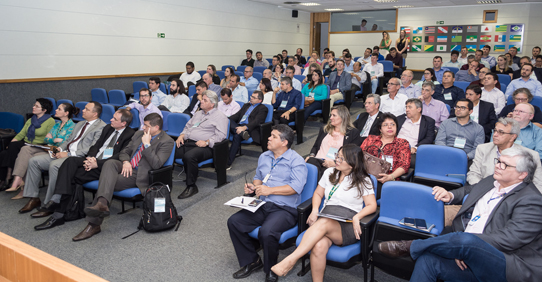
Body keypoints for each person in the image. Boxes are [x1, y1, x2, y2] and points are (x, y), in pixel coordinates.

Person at [378, 147, 542, 282]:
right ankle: (441, 246)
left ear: (522, 175)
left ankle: (410, 246)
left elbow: (509, 239)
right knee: (427, 260)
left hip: (506, 266)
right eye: (498, 161)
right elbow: (471, 189)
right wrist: (451, 195)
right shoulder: (493, 180)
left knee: (466, 238)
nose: (498, 166)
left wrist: (467, 247)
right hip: (467, 254)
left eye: (505, 165)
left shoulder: (532, 201)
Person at [271, 144, 377, 281]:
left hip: (347, 224)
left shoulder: (364, 179)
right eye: (337, 156)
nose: (337, 160)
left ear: (352, 163)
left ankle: (291, 260)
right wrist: (315, 210)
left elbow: (372, 205)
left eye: (341, 159)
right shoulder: (329, 172)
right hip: (326, 216)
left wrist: (358, 217)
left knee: (324, 222)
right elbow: (317, 194)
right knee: (319, 246)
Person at [70, 113, 174, 241]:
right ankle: (102, 204)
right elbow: (125, 152)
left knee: (107, 183)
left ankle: (94, 223)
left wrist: (147, 145)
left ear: (156, 127)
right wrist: (126, 162)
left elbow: (156, 164)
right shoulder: (138, 134)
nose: (143, 128)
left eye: (146, 126)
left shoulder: (167, 141)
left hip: (140, 174)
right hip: (127, 166)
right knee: (110, 163)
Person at [227, 125, 307, 282]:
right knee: (234, 222)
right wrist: (254, 187)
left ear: (284, 142)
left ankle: (271, 269)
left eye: (274, 136)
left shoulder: (296, 161)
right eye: (270, 135)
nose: (269, 138)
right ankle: (252, 261)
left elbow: (295, 188)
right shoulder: (264, 156)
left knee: (267, 232)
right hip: (262, 203)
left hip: (284, 209)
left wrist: (269, 190)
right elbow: (258, 176)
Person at [32, 109, 135, 222]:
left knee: (71, 176)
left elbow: (119, 156)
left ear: (123, 123)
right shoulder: (108, 128)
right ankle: (58, 202)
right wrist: (90, 158)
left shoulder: (130, 135)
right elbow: (96, 146)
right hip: (92, 160)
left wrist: (97, 164)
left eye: (115, 119)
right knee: (70, 161)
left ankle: (59, 212)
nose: (111, 119)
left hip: (104, 167)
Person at [18, 102, 107, 214]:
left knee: (54, 165)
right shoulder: (80, 124)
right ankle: (33, 198)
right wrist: (59, 150)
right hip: (65, 153)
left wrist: (68, 154)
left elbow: (92, 148)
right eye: (84, 108)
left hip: (76, 158)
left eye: (87, 109)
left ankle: (50, 203)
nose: (83, 110)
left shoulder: (101, 127)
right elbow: (68, 140)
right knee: (34, 161)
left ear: (95, 114)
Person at [3, 102, 74, 196]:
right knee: (25, 149)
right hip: (47, 148)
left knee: (29, 158)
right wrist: (55, 139)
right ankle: (17, 178)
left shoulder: (72, 126)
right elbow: (46, 138)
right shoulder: (57, 125)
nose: (56, 110)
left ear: (66, 113)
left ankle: (24, 188)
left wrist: (52, 139)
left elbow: (65, 142)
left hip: (57, 151)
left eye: (59, 109)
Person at [175, 91, 228, 199]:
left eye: (205, 100)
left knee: (189, 156)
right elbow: (187, 126)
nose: (201, 102)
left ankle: (191, 186)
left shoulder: (220, 117)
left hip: (206, 147)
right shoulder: (198, 113)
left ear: (212, 104)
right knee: (169, 150)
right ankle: (163, 183)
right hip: (189, 142)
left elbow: (221, 136)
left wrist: (207, 141)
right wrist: (181, 135)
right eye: (202, 99)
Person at [467, 117, 542, 189]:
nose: (495, 134)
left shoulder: (531, 155)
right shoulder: (483, 149)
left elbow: (538, 184)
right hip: (484, 192)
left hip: (516, 197)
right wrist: (483, 190)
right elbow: (473, 174)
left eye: (501, 132)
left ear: (512, 137)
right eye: (495, 131)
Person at [0, 98, 55, 190]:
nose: (33, 107)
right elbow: (21, 134)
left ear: (44, 110)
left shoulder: (50, 121)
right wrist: (11, 142)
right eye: (34, 105)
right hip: (26, 143)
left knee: (11, 148)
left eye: (37, 106)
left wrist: (12, 145)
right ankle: (4, 179)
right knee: (4, 153)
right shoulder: (31, 120)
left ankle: (8, 177)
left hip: (38, 145)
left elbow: (48, 138)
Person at [306, 106, 362, 179]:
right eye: (331, 115)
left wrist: (334, 164)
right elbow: (316, 146)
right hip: (318, 161)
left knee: (319, 172)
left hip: (336, 165)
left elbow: (351, 156)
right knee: (309, 163)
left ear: (343, 117)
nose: (331, 118)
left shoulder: (353, 133)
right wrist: (312, 155)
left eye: (334, 115)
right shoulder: (325, 129)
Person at [361, 113, 411, 189]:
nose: (390, 127)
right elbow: (359, 155)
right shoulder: (370, 139)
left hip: (387, 180)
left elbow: (404, 165)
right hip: (365, 176)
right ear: (380, 129)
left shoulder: (402, 143)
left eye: (393, 124)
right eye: (385, 125)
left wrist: (390, 177)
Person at [227, 91, 268, 169]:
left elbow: (257, 121)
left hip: (250, 129)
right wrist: (225, 120)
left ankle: (228, 163)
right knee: (227, 120)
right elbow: (236, 116)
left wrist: (244, 128)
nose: (251, 98)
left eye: (253, 97)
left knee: (237, 135)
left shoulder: (263, 108)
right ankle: (242, 133)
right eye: (251, 96)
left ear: (260, 100)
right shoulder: (246, 105)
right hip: (238, 127)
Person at [397, 98, 436, 166]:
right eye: (406, 107)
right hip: (395, 148)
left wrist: (415, 148)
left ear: (419, 109)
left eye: (410, 107)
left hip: (411, 151)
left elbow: (429, 138)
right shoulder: (399, 119)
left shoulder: (428, 121)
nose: (407, 110)